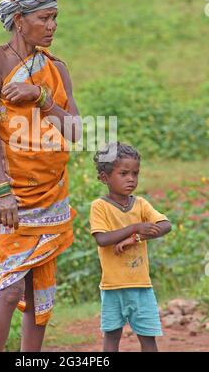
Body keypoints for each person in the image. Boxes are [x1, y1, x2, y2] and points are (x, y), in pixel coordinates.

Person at [0, 0, 81, 352]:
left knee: (39, 292)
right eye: (44, 18)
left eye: (54, 18)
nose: (52, 26)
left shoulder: (56, 68)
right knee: (10, 289)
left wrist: (43, 98)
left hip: (52, 193)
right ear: (19, 20)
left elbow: (76, 131)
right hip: (13, 194)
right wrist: (2, 190)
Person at [89, 141, 171, 352]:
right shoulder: (100, 207)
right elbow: (103, 239)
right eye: (124, 173)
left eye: (135, 173)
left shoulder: (141, 204)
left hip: (141, 287)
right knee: (112, 337)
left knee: (148, 339)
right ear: (104, 178)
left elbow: (165, 225)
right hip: (112, 288)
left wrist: (135, 238)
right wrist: (135, 227)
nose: (131, 179)